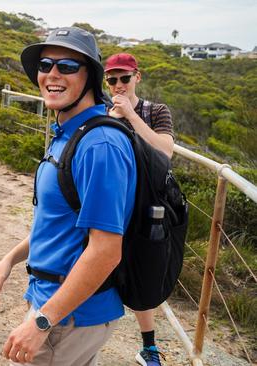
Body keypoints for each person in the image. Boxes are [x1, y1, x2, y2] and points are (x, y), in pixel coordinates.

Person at [0, 27, 137, 365]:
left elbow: (106, 251)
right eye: (45, 65)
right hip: (57, 305)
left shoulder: (100, 146)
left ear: (91, 78)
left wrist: (42, 321)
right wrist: (10, 259)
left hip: (69, 317)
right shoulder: (68, 132)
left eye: (67, 66)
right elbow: (60, 222)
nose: (52, 74)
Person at [105, 52, 174, 366]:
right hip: (112, 203)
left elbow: (164, 150)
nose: (118, 85)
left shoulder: (156, 111)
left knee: (143, 276)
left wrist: (130, 116)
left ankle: (149, 347)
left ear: (137, 77)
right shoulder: (104, 113)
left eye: (124, 78)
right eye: (112, 79)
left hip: (147, 206)